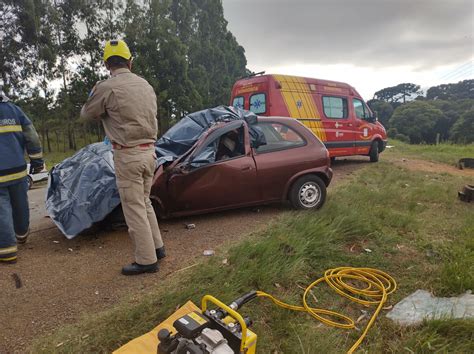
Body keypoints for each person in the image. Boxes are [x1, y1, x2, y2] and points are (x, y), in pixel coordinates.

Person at [80, 39, 165, 276]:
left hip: (128, 155)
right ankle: (157, 248)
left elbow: (87, 114)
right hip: (150, 152)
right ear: (130, 62)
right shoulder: (146, 85)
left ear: (107, 63)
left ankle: (146, 260)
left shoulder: (106, 87)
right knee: (144, 202)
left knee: (134, 208)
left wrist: (93, 98)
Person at [0, 89, 44, 264]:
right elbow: (31, 136)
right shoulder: (14, 110)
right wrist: (37, 160)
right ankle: (22, 234)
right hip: (17, 169)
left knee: (2, 210)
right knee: (20, 204)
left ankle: (7, 252)